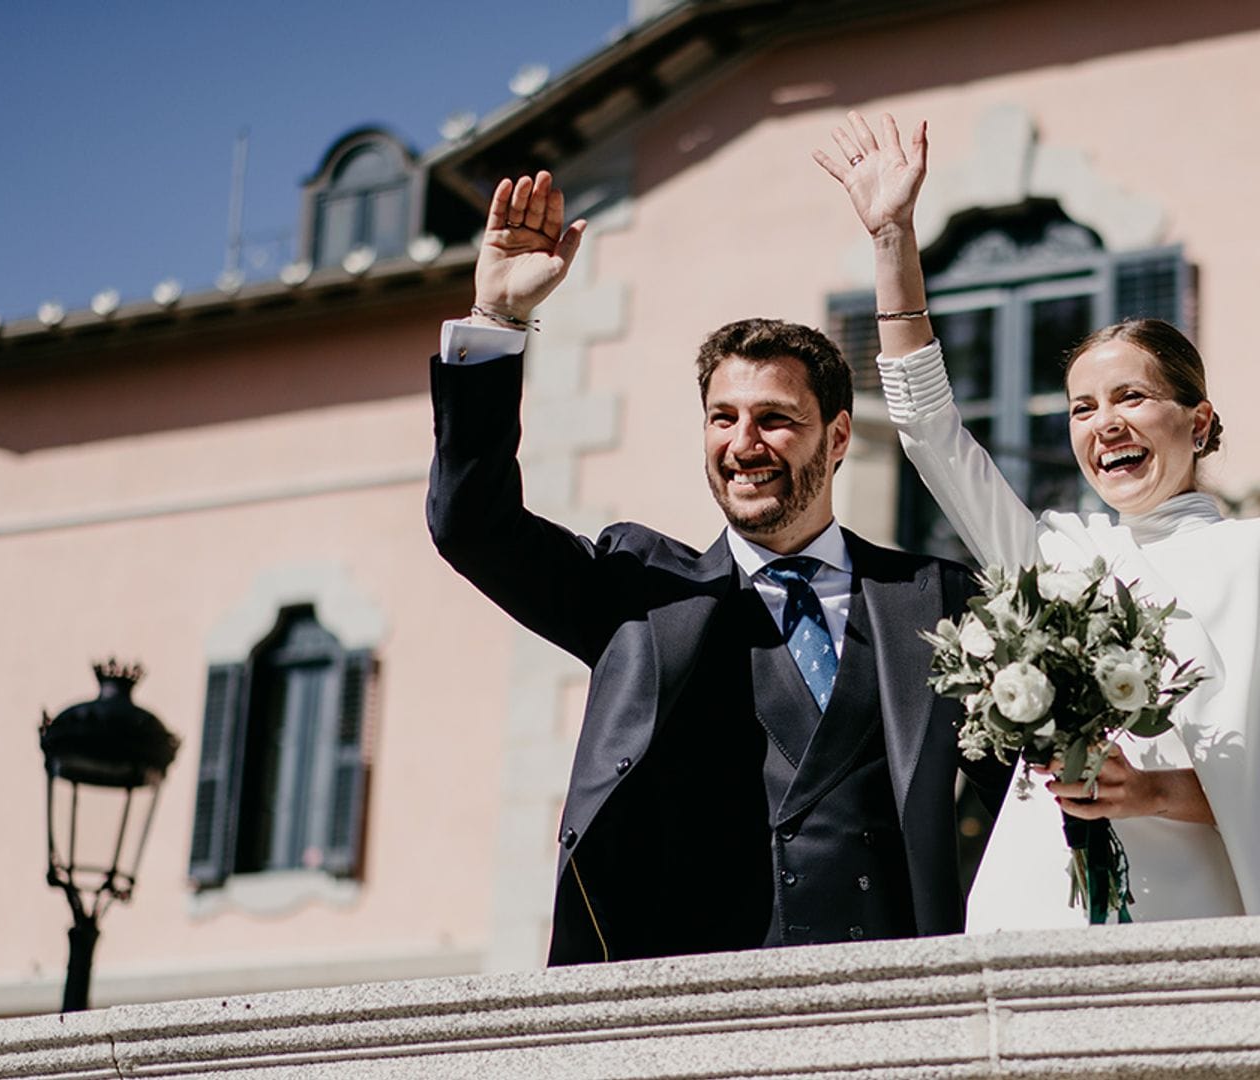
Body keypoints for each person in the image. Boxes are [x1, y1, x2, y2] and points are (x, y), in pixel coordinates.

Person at [428, 170, 1011, 964]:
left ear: (837, 438)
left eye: (775, 419)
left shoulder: (934, 600)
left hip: (898, 997)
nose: (743, 444)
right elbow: (472, 523)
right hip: (691, 1006)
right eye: (722, 418)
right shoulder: (638, 593)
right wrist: (497, 317)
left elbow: (1025, 790)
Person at [816, 113, 1260, 928]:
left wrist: (1149, 790)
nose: (1103, 423)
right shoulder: (1058, 554)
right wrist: (894, 237)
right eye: (1081, 407)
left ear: (1201, 421)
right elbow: (930, 433)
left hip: (1188, 919)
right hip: (1037, 907)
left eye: (1131, 398)